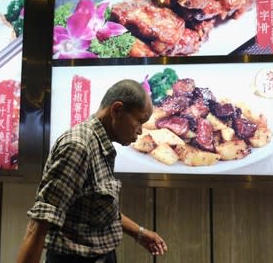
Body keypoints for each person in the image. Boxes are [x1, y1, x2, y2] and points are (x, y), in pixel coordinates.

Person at [16, 79, 168, 263]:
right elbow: (39, 224)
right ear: (117, 110)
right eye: (139, 121)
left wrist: (140, 233)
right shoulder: (78, 146)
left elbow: (96, 208)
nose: (141, 131)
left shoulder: (99, 143)